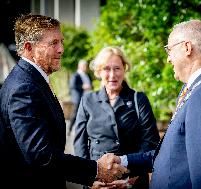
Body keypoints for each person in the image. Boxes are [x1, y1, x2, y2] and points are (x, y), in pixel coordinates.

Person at [101, 19, 201, 189]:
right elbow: (172, 152)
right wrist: (123, 160)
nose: (168, 59)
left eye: (169, 50)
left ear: (187, 48)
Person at [0, 14, 126, 189]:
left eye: (61, 41)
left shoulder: (31, 80)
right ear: (29, 47)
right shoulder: (24, 87)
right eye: (53, 43)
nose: (61, 49)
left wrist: (90, 178)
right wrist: (96, 169)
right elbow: (41, 155)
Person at [74, 46, 160, 189]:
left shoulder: (139, 99)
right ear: (99, 72)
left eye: (117, 68)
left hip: (132, 180)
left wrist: (129, 180)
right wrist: (89, 179)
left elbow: (151, 142)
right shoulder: (87, 100)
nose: (112, 75)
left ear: (124, 69)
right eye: (107, 69)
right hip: (97, 182)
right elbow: (80, 145)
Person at [69, 59, 93, 135]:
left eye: (86, 66)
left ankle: (85, 130)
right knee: (76, 114)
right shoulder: (75, 75)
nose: (85, 67)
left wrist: (90, 86)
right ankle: (69, 129)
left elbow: (90, 85)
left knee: (88, 114)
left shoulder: (87, 75)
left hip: (87, 98)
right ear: (79, 66)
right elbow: (72, 86)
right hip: (78, 98)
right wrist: (83, 87)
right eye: (84, 66)